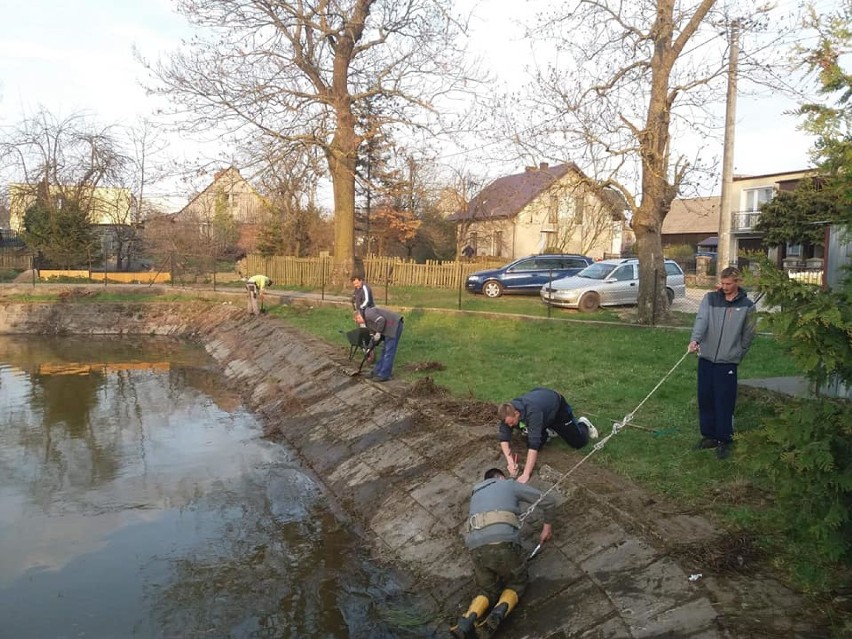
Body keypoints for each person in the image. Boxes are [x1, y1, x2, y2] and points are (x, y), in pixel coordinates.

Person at [451, 468, 555, 639]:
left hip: (475, 546)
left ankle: (466, 620)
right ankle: (496, 615)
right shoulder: (508, 484)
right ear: (500, 477)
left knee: (487, 588)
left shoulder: (476, 491)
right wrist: (547, 527)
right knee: (517, 583)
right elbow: (548, 501)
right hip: (503, 542)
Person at [688, 266, 756, 460]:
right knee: (706, 397)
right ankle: (708, 435)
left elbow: (749, 334)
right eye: (723, 283)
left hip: (727, 363)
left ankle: (724, 439)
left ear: (737, 283)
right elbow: (702, 320)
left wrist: (737, 354)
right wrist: (695, 340)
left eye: (729, 284)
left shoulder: (747, 306)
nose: (725, 287)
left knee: (724, 400)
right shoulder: (710, 299)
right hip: (706, 358)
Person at [497, 387, 598, 483]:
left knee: (578, 442)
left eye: (511, 422)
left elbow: (534, 445)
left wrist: (526, 474)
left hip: (556, 408)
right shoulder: (507, 412)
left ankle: (583, 423)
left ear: (517, 414)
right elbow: (504, 439)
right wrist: (510, 462)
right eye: (507, 423)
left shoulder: (532, 413)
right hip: (541, 410)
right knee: (531, 439)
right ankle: (547, 430)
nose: (510, 425)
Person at [355, 305, 403, 382]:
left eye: (356, 320)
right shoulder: (367, 322)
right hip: (388, 327)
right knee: (384, 350)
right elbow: (373, 338)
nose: (357, 322)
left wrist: (378, 332)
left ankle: (384, 375)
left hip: (394, 325)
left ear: (358, 316)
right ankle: (376, 371)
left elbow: (381, 320)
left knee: (388, 351)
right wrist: (369, 349)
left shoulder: (368, 313)